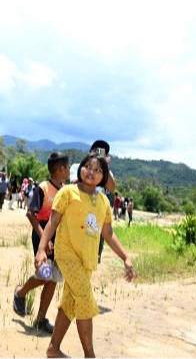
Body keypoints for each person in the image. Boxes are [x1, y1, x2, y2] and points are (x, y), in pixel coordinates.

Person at [35, 153, 135, 358]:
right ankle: (90, 355)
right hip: (67, 255)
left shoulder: (104, 202)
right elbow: (52, 223)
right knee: (86, 303)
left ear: (104, 177)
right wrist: (41, 249)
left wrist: (125, 257)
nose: (92, 172)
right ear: (80, 169)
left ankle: (53, 349)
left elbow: (108, 234)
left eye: (98, 170)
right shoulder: (68, 193)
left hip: (87, 261)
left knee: (71, 304)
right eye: (88, 166)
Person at [12, 152, 71, 335]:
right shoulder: (43, 188)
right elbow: (31, 213)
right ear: (61, 169)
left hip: (58, 239)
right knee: (44, 274)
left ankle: (40, 319)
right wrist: (43, 242)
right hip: (42, 236)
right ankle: (20, 292)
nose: (69, 170)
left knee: (53, 279)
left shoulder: (64, 189)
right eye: (68, 167)